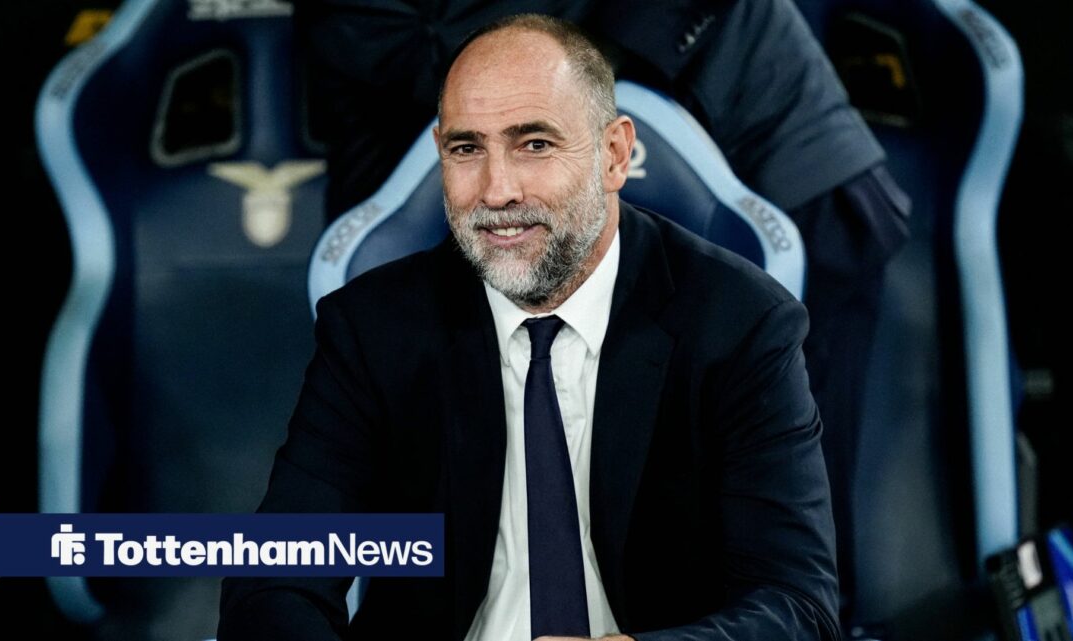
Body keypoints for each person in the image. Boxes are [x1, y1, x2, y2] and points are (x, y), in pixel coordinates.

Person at [220, 14, 838, 641]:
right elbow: (277, 575)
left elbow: (796, 606)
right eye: (467, 149)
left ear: (614, 155)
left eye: (534, 144)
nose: (497, 190)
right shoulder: (375, 327)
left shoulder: (739, 323)